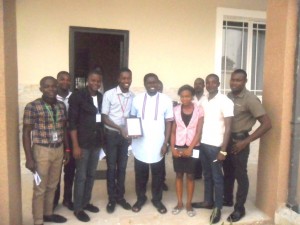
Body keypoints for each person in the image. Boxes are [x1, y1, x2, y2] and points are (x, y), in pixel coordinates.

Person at [223, 69, 272, 222]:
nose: (234, 83)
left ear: (245, 81)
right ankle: (228, 199)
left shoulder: (250, 99)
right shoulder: (229, 96)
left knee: (240, 175)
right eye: (233, 80)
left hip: (240, 141)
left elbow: (267, 124)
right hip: (227, 140)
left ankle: (239, 208)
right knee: (228, 172)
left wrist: (246, 141)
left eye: (238, 80)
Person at [23, 76, 69, 225]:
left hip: (58, 149)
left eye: (54, 86)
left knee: (53, 185)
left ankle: (48, 213)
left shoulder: (61, 106)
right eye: (47, 86)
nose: (51, 89)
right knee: (40, 187)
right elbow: (26, 132)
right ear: (41, 89)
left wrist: (67, 149)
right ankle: (38, 220)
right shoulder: (32, 106)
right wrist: (29, 158)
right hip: (41, 150)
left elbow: (63, 128)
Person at [192, 74, 233, 224]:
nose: (210, 85)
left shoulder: (225, 101)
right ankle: (207, 201)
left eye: (213, 82)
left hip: (216, 146)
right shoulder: (203, 100)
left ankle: (218, 207)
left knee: (217, 177)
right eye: (207, 83)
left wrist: (223, 150)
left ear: (218, 84)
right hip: (203, 144)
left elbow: (228, 127)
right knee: (206, 176)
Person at [130, 73, 174, 214]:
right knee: (140, 175)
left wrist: (165, 143)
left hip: (158, 144)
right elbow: (132, 119)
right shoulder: (137, 99)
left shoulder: (166, 100)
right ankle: (141, 198)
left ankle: (157, 200)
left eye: (154, 82)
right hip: (140, 144)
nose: (152, 85)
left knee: (158, 175)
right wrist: (132, 132)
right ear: (145, 84)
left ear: (158, 83)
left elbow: (169, 123)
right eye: (149, 83)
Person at [69, 70, 104, 222]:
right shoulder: (78, 96)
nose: (95, 83)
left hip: (96, 143)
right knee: (81, 177)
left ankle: (86, 202)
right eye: (93, 80)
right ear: (88, 81)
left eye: (98, 81)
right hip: (82, 144)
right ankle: (78, 208)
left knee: (91, 175)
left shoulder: (101, 97)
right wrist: (75, 146)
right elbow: (72, 122)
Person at [101, 68, 134, 213]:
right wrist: (120, 129)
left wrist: (132, 132)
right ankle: (111, 199)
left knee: (122, 168)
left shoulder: (133, 96)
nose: (126, 81)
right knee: (111, 168)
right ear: (118, 79)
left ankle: (120, 197)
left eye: (128, 78)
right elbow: (104, 118)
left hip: (126, 136)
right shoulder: (109, 94)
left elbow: (133, 117)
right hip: (112, 135)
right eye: (123, 78)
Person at [170, 85, 204, 217]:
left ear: (192, 96)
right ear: (180, 97)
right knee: (179, 175)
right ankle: (179, 202)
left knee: (190, 176)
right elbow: (173, 131)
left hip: (193, 147)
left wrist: (190, 149)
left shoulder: (199, 110)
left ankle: (188, 203)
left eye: (188, 96)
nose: (185, 98)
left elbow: (199, 132)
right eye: (183, 96)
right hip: (178, 145)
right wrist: (172, 148)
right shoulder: (175, 110)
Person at [53, 71, 75, 211]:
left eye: (68, 80)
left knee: (70, 171)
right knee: (55, 172)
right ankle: (54, 201)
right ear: (57, 81)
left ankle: (67, 199)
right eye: (62, 79)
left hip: (71, 138)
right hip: (56, 139)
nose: (65, 82)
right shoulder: (50, 96)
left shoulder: (74, 96)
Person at [157, 80, 169, 191]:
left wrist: (166, 140)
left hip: (163, 136)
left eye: (160, 88)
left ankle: (161, 181)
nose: (158, 89)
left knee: (161, 160)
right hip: (149, 137)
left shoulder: (166, 101)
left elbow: (169, 121)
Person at [193, 77, 206, 179]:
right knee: (195, 151)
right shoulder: (191, 98)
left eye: (200, 84)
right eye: (196, 84)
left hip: (205, 129)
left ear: (204, 86)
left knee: (203, 152)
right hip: (192, 130)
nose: (197, 86)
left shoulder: (207, 98)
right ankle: (195, 173)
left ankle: (202, 172)